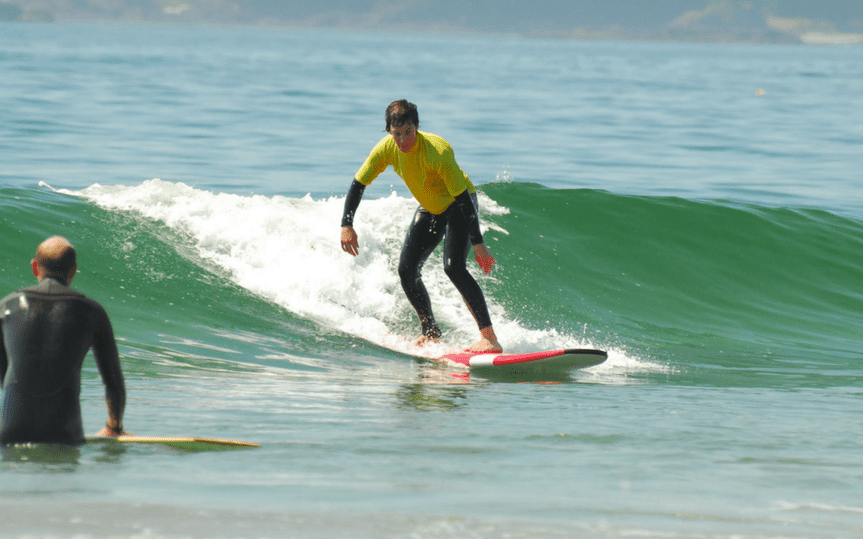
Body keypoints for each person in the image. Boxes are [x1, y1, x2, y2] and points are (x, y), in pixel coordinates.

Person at [340, 99, 502, 353]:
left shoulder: (437, 151)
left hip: (459, 204)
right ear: (389, 132)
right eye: (397, 134)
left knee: (454, 268)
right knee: (406, 270)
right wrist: (346, 225)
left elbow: (462, 199)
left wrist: (478, 243)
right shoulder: (386, 149)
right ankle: (431, 332)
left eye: (408, 133)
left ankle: (489, 339)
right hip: (431, 207)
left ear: (417, 127)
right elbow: (358, 184)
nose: (403, 140)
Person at [0, 236, 126, 445]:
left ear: (34, 267)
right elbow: (113, 381)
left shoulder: (5, 306)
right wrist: (114, 426)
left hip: (11, 435)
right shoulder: (91, 311)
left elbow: (3, 374)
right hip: (64, 436)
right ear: (73, 270)